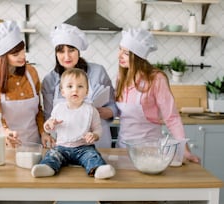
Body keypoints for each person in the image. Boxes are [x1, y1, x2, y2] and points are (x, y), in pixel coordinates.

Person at [115, 28, 200, 163]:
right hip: (122, 149)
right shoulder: (122, 77)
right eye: (120, 49)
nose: (119, 55)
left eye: (126, 53)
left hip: (150, 152)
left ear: (138, 56)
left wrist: (185, 151)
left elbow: (171, 117)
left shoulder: (156, 78)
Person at [42, 23, 118, 148]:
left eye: (71, 50)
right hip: (66, 144)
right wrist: (49, 129)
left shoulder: (98, 72)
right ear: (56, 53)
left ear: (78, 51)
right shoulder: (49, 80)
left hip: (97, 141)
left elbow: (113, 105)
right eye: (61, 51)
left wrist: (106, 112)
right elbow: (49, 116)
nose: (66, 56)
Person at [31, 68, 116, 179]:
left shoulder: (91, 110)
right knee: (52, 155)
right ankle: (47, 168)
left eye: (80, 86)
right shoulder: (59, 108)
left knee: (92, 156)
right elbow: (48, 127)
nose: (75, 90)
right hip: (61, 147)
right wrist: (49, 125)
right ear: (63, 92)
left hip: (83, 148)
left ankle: (98, 169)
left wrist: (94, 135)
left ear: (86, 91)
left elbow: (98, 129)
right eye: (70, 86)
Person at [0, 20, 53, 148]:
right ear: (3, 56)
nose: (23, 57)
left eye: (23, 51)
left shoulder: (31, 72)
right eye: (16, 54)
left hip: (34, 144)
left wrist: (43, 132)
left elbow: (38, 110)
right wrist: (5, 132)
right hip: (7, 143)